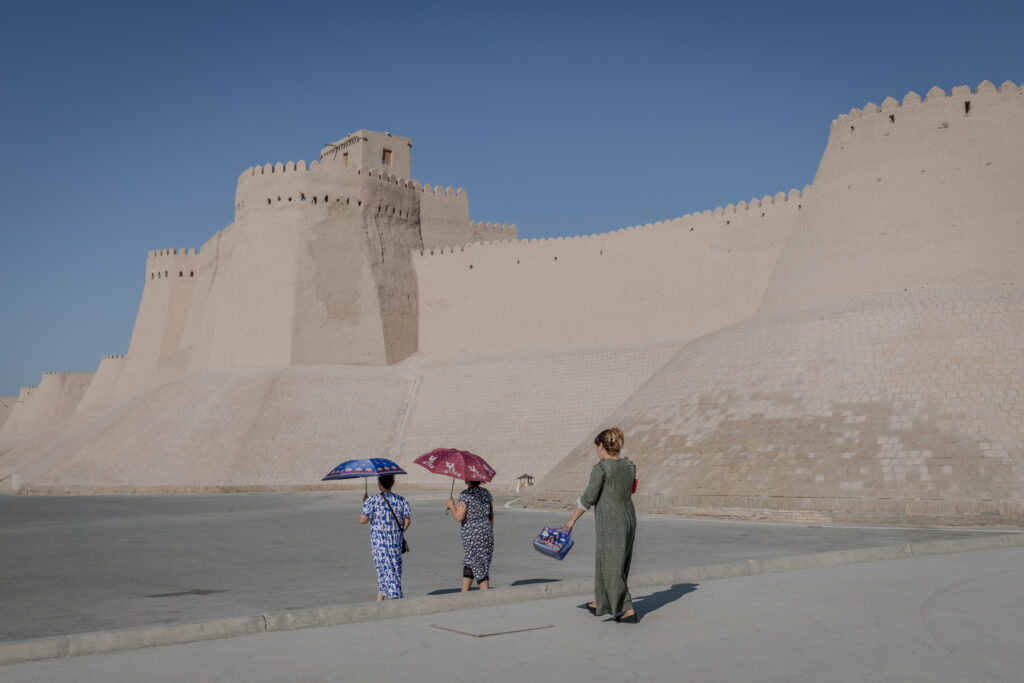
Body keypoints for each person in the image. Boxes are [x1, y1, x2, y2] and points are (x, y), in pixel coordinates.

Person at [564, 427, 638, 623]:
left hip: (611, 520)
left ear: (602, 446)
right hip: (629, 516)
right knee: (612, 560)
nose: (596, 451)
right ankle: (600, 601)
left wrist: (571, 520)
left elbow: (589, 497)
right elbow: (630, 489)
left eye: (597, 446)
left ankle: (628, 608)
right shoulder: (629, 466)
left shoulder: (602, 468)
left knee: (611, 564)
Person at [360, 474, 411, 600]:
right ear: (392, 482)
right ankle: (379, 603)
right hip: (396, 542)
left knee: (387, 571)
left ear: (379, 483)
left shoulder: (372, 500)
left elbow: (363, 520)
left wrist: (365, 503)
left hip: (380, 544)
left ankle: (395, 601)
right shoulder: (401, 500)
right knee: (391, 570)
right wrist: (398, 532)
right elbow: (407, 521)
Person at [446, 480, 494, 591]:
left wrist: (451, 506)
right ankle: (464, 592)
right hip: (487, 532)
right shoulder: (487, 493)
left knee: (477, 565)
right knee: (472, 561)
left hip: (472, 536)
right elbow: (491, 517)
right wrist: (485, 530)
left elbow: (459, 517)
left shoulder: (465, 495)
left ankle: (487, 595)